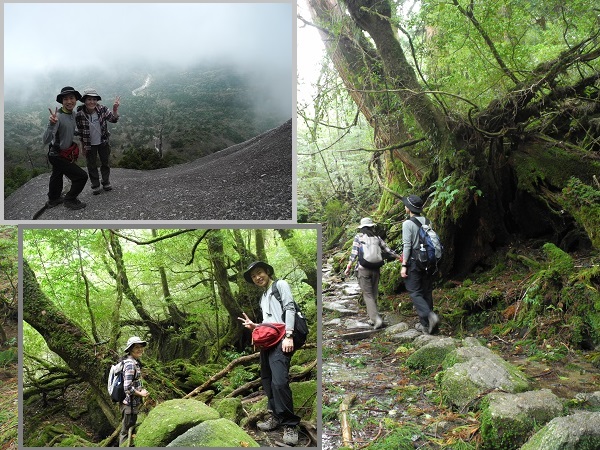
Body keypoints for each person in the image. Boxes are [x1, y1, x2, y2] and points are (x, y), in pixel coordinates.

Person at [238, 261, 300, 446]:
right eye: (254, 276)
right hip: (268, 342)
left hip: (283, 339)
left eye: (259, 273)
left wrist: (289, 335)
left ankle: (290, 424)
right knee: (267, 380)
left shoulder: (280, 285)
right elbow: (270, 322)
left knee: (280, 381)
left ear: (267, 272)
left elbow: (290, 308)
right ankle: (274, 416)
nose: (257, 278)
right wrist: (255, 326)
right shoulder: (263, 296)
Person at [344, 218, 402, 329]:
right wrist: (400, 257)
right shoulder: (377, 238)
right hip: (376, 268)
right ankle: (373, 318)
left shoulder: (359, 237)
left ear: (362, 228)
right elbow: (388, 250)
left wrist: (349, 266)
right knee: (374, 293)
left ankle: (376, 319)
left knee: (368, 295)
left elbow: (354, 253)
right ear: (371, 226)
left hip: (363, 268)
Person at [42, 86, 89, 210]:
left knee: (57, 175)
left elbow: (69, 130)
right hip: (57, 155)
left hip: (64, 153)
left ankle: (53, 199)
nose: (69, 101)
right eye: (65, 99)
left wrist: (81, 133)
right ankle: (70, 199)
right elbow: (46, 140)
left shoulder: (72, 114)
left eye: (71, 98)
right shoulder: (57, 117)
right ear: (62, 101)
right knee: (81, 176)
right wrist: (51, 124)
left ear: (76, 99)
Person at [400, 195, 440, 334]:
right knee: (426, 291)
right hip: (429, 261)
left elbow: (407, 245)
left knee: (414, 291)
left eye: (406, 205)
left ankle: (429, 316)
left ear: (409, 208)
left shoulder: (407, 224)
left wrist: (404, 265)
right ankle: (427, 326)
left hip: (414, 262)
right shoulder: (428, 221)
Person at [75, 89, 120, 195]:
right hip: (89, 144)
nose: (92, 102)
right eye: (89, 99)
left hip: (103, 142)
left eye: (94, 99)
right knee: (91, 164)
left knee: (105, 163)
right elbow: (81, 132)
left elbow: (113, 119)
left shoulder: (102, 109)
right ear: (84, 101)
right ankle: (95, 184)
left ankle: (105, 181)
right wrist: (83, 146)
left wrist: (114, 109)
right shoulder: (80, 114)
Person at [119, 336, 149, 446]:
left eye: (141, 347)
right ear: (130, 349)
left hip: (132, 404)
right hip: (129, 405)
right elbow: (127, 387)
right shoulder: (130, 364)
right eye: (137, 347)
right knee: (125, 432)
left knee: (129, 430)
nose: (140, 349)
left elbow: (132, 383)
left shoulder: (133, 362)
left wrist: (141, 389)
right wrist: (141, 393)